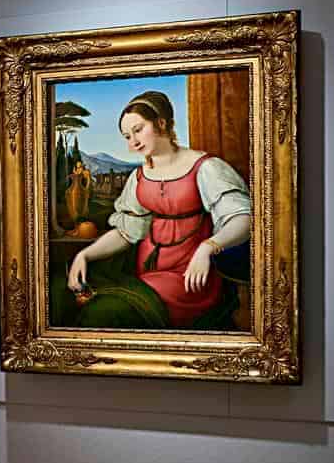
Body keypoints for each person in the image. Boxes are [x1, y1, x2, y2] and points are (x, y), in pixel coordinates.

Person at [65, 90, 251, 329]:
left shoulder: (206, 168)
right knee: (72, 298)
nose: (133, 142)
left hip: (190, 275)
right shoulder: (139, 177)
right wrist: (85, 255)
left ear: (161, 123)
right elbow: (127, 233)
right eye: (127, 136)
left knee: (106, 311)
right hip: (145, 272)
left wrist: (208, 248)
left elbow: (243, 220)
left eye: (138, 130)